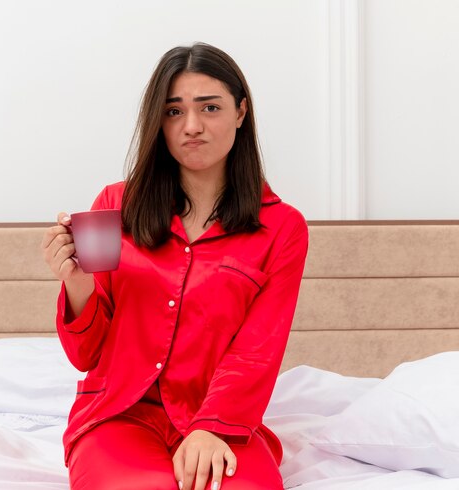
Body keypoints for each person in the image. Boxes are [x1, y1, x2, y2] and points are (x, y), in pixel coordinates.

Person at [41, 42, 309, 490]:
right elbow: (86, 355)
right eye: (173, 111)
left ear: (241, 113)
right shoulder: (114, 207)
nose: (192, 126)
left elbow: (257, 350)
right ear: (158, 122)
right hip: (118, 414)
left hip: (224, 420)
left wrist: (210, 427)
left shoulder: (282, 227)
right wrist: (77, 285)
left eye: (210, 107)